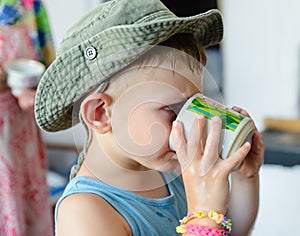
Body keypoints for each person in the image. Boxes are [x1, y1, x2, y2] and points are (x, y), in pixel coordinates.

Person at [34, 0, 265, 235]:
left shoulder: (168, 171)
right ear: (100, 114)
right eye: (173, 108)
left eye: (194, 105)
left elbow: (230, 230)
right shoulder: (84, 211)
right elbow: (210, 226)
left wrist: (245, 176)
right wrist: (203, 215)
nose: (192, 121)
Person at [0, 0, 55, 235]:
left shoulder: (31, 5)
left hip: (24, 127)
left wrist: (38, 93)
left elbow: (50, 62)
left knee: (27, 204)